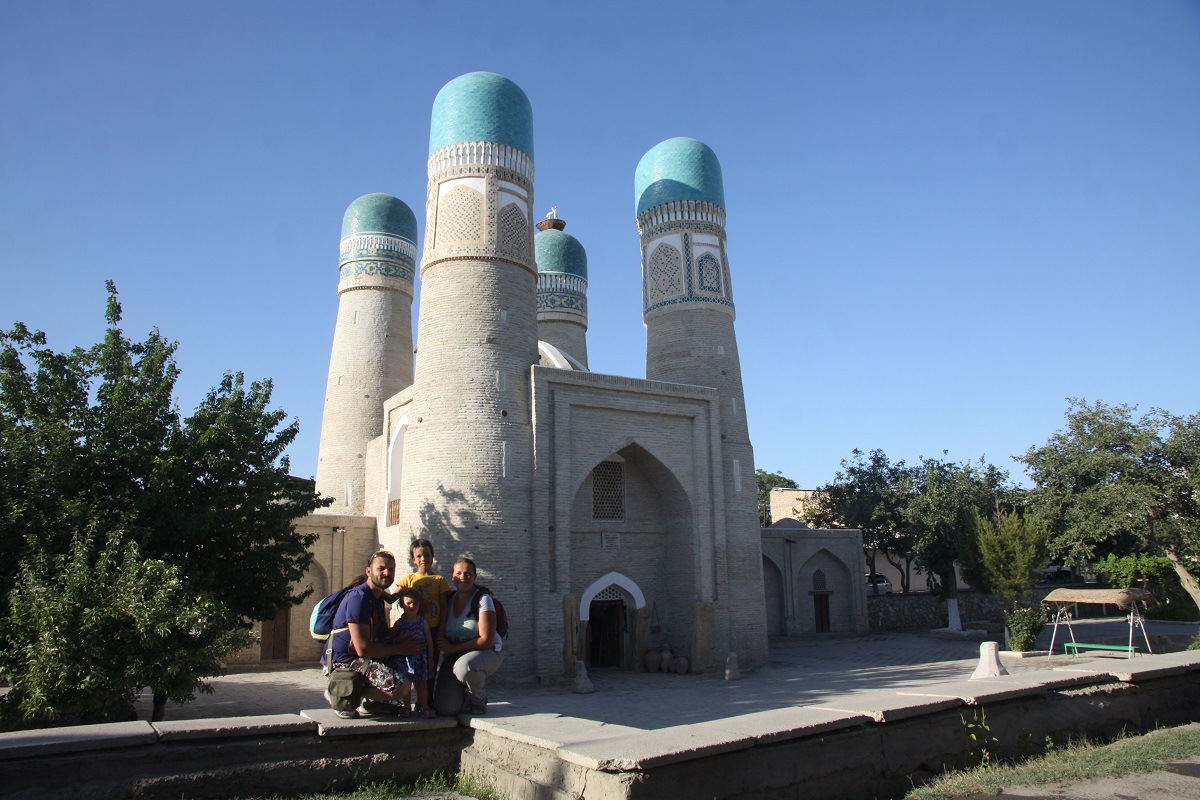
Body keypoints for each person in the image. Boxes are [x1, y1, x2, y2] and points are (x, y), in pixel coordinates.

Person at [325, 550, 424, 718]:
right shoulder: (359, 599)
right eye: (382, 569)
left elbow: (382, 635)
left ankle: (370, 702)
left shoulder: (376, 598)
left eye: (391, 569)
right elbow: (363, 648)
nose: (387, 573)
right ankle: (340, 692)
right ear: (369, 571)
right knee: (402, 686)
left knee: (405, 664)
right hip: (343, 662)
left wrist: (401, 637)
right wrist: (400, 648)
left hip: (362, 659)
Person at [434, 557, 503, 715]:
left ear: (474, 577)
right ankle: (464, 696)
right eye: (458, 573)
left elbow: (485, 641)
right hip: (455, 655)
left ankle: (478, 700)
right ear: (452, 576)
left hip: (486, 653)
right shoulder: (449, 600)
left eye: (468, 574)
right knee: (446, 708)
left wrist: (452, 648)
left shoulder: (483, 599)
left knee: (465, 667)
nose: (463, 577)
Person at [393, 538, 451, 707]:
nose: (423, 559)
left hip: (432, 630)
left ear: (433, 557)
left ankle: (427, 701)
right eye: (419, 556)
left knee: (430, 666)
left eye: (427, 555)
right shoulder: (409, 579)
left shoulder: (439, 580)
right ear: (413, 560)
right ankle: (411, 701)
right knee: (411, 666)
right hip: (412, 630)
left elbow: (444, 607)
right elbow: (392, 596)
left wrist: (441, 631)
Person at [391, 588, 437, 718]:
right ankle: (406, 707)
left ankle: (424, 707)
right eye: (408, 603)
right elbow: (393, 641)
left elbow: (429, 641)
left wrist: (430, 658)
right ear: (402, 604)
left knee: (421, 684)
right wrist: (399, 640)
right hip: (404, 660)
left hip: (420, 660)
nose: (412, 606)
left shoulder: (422, 622)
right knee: (406, 684)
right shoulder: (399, 623)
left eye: (415, 603)